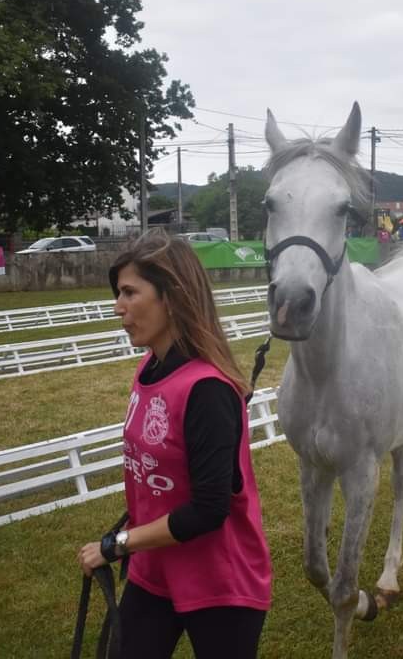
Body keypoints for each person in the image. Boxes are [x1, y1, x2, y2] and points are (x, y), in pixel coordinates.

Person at [77, 231, 271, 659]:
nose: (118, 306)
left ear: (171, 296)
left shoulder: (207, 390)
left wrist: (116, 545)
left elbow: (209, 509)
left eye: (130, 292)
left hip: (219, 580)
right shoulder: (149, 367)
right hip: (155, 568)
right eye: (118, 293)